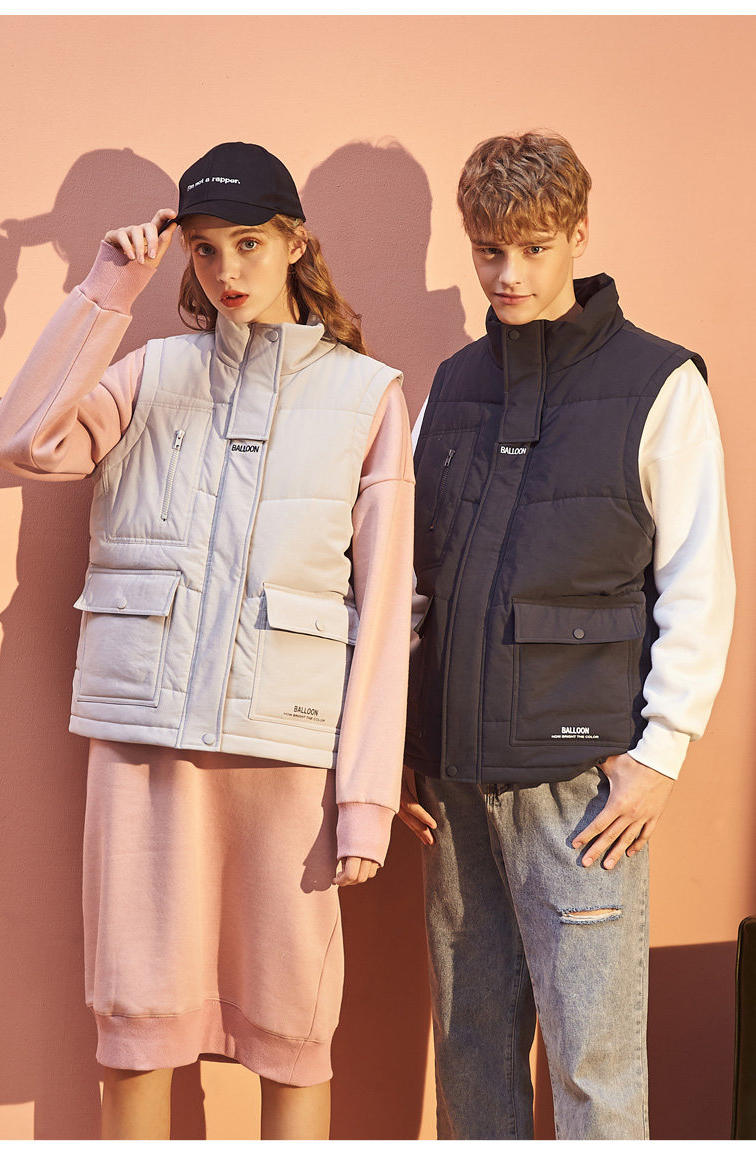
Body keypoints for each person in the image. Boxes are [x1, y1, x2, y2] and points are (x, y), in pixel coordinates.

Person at [0, 141, 414, 1140]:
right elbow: (21, 441)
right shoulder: (148, 373)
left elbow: (387, 606)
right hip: (146, 752)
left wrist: (364, 802)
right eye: (206, 248)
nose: (227, 270)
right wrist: (108, 287)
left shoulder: (367, 396)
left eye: (250, 243)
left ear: (295, 241)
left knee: (292, 1033)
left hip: (287, 757)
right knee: (135, 1027)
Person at [397, 131, 734, 1140]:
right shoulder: (452, 384)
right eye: (489, 251)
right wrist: (392, 748)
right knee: (469, 1054)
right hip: (452, 784)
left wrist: (660, 754)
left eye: (534, 249)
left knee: (592, 1064)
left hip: (581, 789)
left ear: (579, 234)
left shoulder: (659, 383)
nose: (509, 274)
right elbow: (410, 583)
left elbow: (699, 578)